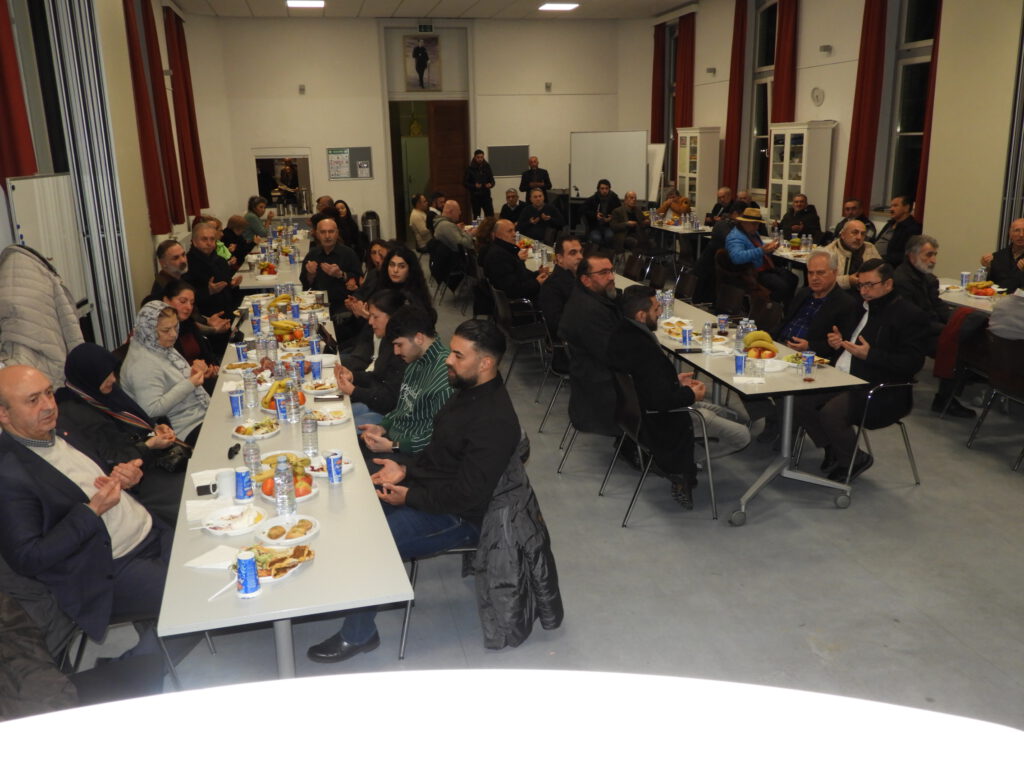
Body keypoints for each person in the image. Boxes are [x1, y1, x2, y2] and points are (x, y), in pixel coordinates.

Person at [306, 319, 519, 663]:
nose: (448, 360)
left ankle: (360, 635)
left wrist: (409, 495)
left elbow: (468, 496)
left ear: (485, 363)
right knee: (356, 506)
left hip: (460, 515)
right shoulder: (466, 392)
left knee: (376, 543)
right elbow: (440, 456)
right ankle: (356, 589)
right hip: (432, 489)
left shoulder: (494, 420)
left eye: (458, 355)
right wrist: (405, 470)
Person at [0, 365, 171, 648]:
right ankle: (139, 666)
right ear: (3, 414)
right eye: (33, 400)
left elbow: (100, 477)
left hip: (150, 529)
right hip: (110, 569)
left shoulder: (62, 429)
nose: (49, 406)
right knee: (196, 594)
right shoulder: (8, 474)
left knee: (221, 561)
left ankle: (154, 644)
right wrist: (91, 512)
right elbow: (28, 558)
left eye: (48, 393)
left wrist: (126, 478)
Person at [793, 259, 929, 482]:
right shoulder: (857, 306)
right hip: (843, 375)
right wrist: (838, 342)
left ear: (888, 284)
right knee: (799, 399)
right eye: (861, 285)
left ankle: (855, 459)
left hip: (879, 387)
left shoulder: (909, 315)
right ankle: (833, 448)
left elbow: (912, 363)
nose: (864, 291)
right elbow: (849, 342)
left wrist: (870, 355)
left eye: (870, 285)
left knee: (831, 413)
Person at [55, 344, 186, 526]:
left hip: (149, 461)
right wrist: (149, 445)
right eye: (105, 375)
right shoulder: (76, 413)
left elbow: (136, 424)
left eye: (112, 372)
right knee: (187, 496)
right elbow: (111, 459)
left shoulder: (99, 391)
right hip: (132, 480)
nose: (113, 379)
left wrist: (155, 429)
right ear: (89, 375)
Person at [608, 285, 706, 507]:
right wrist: (691, 394)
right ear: (641, 316)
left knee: (719, 412)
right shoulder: (644, 348)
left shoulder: (620, 334)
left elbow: (644, 381)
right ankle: (685, 468)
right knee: (739, 434)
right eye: (656, 308)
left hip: (634, 417)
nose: (661, 312)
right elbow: (661, 401)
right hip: (662, 421)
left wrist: (674, 381)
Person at [893, 235, 975, 418]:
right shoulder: (902, 280)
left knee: (967, 328)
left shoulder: (927, 278)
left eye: (935, 255)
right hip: (911, 333)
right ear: (912, 256)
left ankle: (952, 391)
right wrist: (947, 330)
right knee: (955, 344)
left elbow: (938, 306)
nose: (933, 260)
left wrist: (954, 321)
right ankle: (945, 400)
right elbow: (914, 318)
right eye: (928, 255)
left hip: (927, 327)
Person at [355, 304, 454, 456]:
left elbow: (436, 438)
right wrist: (382, 427)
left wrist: (392, 447)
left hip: (410, 454)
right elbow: (402, 409)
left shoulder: (446, 377)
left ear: (419, 338)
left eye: (399, 345)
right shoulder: (415, 358)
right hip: (394, 440)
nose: (396, 352)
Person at [120, 302, 210, 446]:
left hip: (199, 413)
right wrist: (190, 383)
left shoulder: (156, 345)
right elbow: (151, 410)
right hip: (184, 429)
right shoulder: (142, 364)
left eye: (175, 326)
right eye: (166, 330)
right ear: (148, 330)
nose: (173, 334)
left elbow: (172, 380)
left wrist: (192, 373)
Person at [558, 251, 621, 436]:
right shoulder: (590, 311)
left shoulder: (585, 298)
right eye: (603, 273)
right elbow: (614, 356)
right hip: (602, 387)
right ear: (586, 280)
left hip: (589, 377)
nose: (611, 277)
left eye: (611, 271)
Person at [333, 290, 408, 420]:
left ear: (392, 317)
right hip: (376, 402)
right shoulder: (387, 340)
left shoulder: (402, 349)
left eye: (375, 317)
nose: (370, 322)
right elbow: (377, 377)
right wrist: (353, 376)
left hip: (390, 414)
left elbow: (389, 399)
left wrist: (354, 391)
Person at [774, 251, 858, 363]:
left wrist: (809, 346)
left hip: (808, 359)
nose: (814, 278)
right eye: (810, 273)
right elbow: (784, 322)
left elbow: (840, 345)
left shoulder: (846, 303)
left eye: (820, 273)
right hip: (779, 348)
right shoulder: (803, 293)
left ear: (835, 272)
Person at [725, 207, 798, 307]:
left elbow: (761, 249)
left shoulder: (752, 233)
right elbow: (736, 257)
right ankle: (767, 307)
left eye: (758, 224)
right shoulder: (735, 236)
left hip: (764, 267)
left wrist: (770, 248)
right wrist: (762, 250)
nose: (757, 227)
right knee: (783, 287)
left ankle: (786, 309)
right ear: (744, 222)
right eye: (754, 224)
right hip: (751, 272)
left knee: (793, 279)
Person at [301, 217, 363, 321]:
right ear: (317, 234)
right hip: (317, 304)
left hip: (342, 305)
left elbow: (360, 280)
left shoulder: (348, 254)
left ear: (337, 233)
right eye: (323, 232)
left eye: (331, 232)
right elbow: (305, 284)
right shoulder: (312, 254)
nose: (327, 236)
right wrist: (310, 275)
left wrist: (341, 274)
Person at [160, 280, 220, 387]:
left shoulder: (189, 323)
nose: (189, 307)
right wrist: (194, 372)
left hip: (201, 379)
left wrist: (212, 367)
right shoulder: (161, 332)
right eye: (183, 301)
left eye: (192, 303)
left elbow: (207, 355)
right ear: (166, 301)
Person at [183, 221, 242, 320]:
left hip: (228, 314)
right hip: (205, 318)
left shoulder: (221, 261)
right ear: (194, 242)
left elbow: (227, 289)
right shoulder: (187, 264)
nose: (209, 243)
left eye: (212, 239)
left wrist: (232, 284)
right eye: (204, 239)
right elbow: (185, 299)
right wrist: (208, 291)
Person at [485, 219, 550, 300]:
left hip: (522, 293)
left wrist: (537, 273)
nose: (514, 234)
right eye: (509, 231)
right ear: (498, 235)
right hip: (520, 301)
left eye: (514, 230)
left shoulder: (504, 250)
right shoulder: (499, 256)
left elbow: (520, 275)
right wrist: (537, 283)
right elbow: (513, 290)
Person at [537, 234, 584, 344]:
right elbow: (557, 325)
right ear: (559, 258)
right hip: (571, 343)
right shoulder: (551, 287)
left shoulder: (579, 277)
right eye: (573, 253)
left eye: (581, 252)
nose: (580, 257)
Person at [378, 245, 435, 319]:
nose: (395, 270)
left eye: (401, 266)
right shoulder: (383, 284)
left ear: (410, 270)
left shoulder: (412, 297)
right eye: (392, 265)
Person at [823, 218, 881, 291]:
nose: (859, 237)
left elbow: (881, 273)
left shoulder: (870, 248)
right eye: (855, 232)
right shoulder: (828, 252)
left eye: (863, 234)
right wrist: (848, 281)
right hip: (838, 293)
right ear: (843, 235)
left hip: (867, 292)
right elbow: (823, 280)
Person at [873, 195, 922, 267]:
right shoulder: (890, 223)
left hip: (888, 265)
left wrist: (883, 259)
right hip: (874, 259)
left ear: (906, 208)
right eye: (891, 206)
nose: (891, 209)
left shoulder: (913, 228)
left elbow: (906, 255)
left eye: (895, 206)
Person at [980, 218, 1024, 292]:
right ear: (1010, 234)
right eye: (1017, 230)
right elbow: (988, 284)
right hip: (997, 297)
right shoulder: (998, 256)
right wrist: (986, 268)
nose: (1021, 235)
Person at [583, 179, 621, 246]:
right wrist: (595, 215)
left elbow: (620, 212)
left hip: (609, 226)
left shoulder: (614, 199)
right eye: (602, 188)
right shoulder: (592, 199)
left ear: (609, 189)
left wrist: (612, 218)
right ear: (598, 189)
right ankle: (600, 251)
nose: (604, 191)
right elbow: (584, 211)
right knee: (596, 238)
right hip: (595, 226)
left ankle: (605, 251)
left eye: (606, 188)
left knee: (610, 236)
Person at [464, 149, 495, 219]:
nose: (480, 159)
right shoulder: (470, 168)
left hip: (486, 195)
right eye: (478, 157)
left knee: (490, 216)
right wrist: (474, 186)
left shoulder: (487, 166)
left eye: (481, 157)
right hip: (475, 196)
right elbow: (465, 183)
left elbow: (492, 181)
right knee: (477, 216)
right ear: (475, 157)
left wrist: (490, 184)